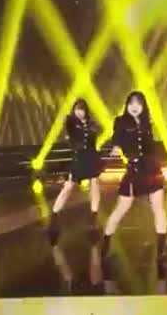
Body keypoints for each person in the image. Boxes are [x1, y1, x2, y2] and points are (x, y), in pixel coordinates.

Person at [100, 91, 167, 274]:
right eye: (131, 103)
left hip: (151, 168)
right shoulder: (121, 121)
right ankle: (105, 246)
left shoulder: (146, 123)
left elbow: (151, 147)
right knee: (121, 207)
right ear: (127, 105)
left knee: (158, 208)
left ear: (143, 106)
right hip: (134, 169)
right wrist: (115, 147)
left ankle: (161, 250)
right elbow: (117, 137)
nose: (135, 106)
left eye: (138, 103)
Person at [48, 98, 102, 245]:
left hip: (91, 157)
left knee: (95, 185)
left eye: (82, 109)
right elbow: (67, 122)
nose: (79, 112)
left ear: (86, 111)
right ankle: (54, 217)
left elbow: (97, 132)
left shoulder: (92, 124)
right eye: (77, 109)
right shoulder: (71, 122)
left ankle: (93, 217)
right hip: (78, 158)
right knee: (68, 187)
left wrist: (90, 126)